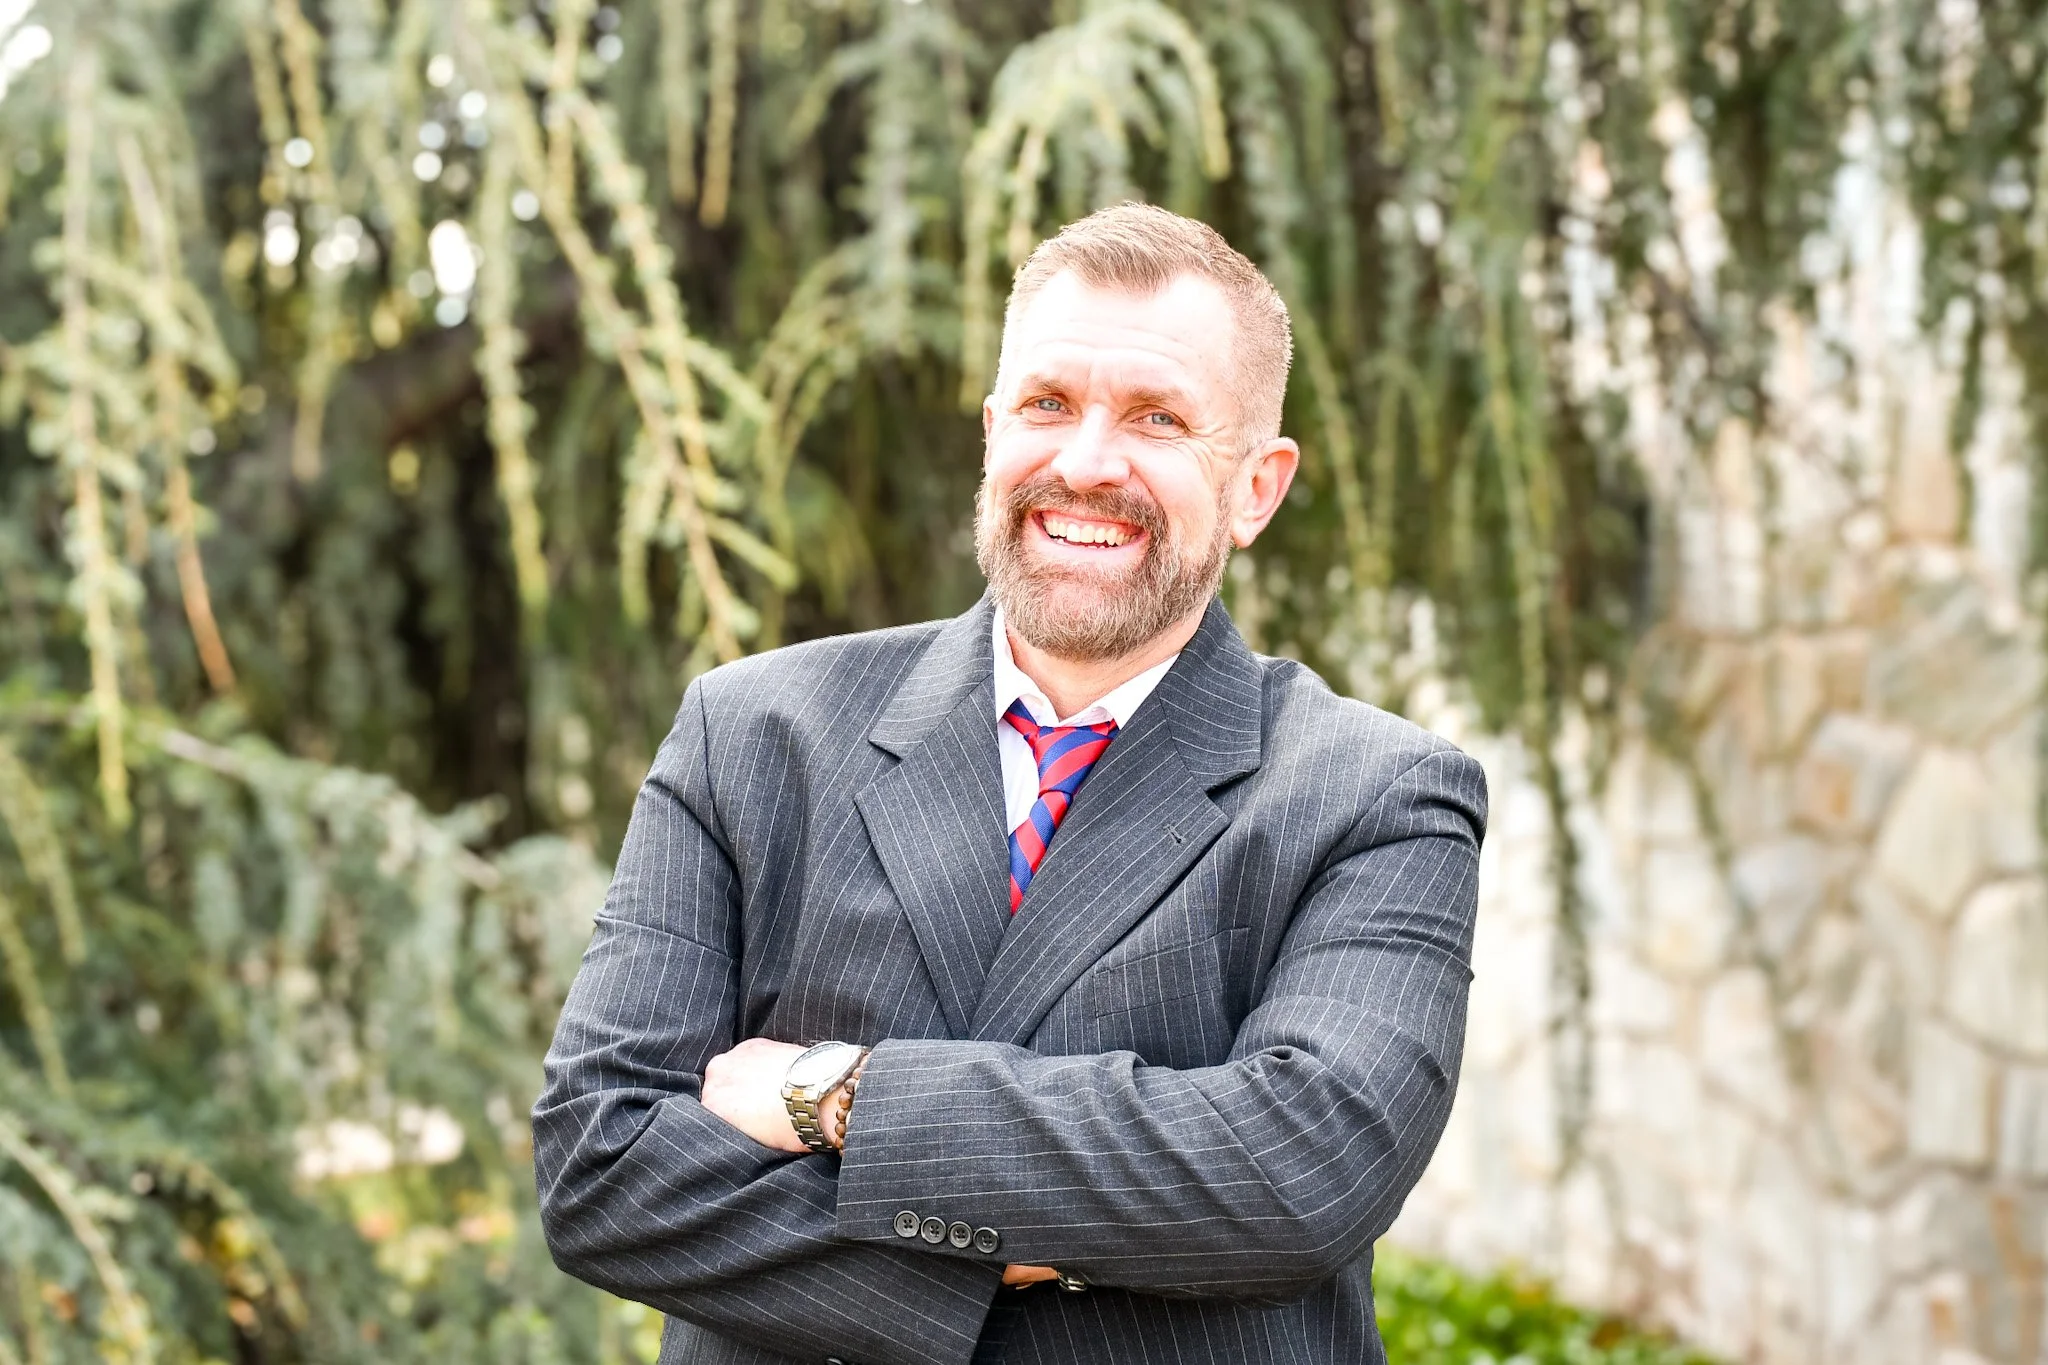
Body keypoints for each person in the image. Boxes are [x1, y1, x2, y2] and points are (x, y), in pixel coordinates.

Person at [533, 202, 1488, 1365]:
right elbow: (601, 1165)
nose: (1085, 463)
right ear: (991, 434)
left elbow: (1298, 1168)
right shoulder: (750, 734)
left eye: (1156, 418)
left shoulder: (1378, 796)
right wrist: (1070, 1236)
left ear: (1255, 487)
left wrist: (835, 1096)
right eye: (1047, 405)